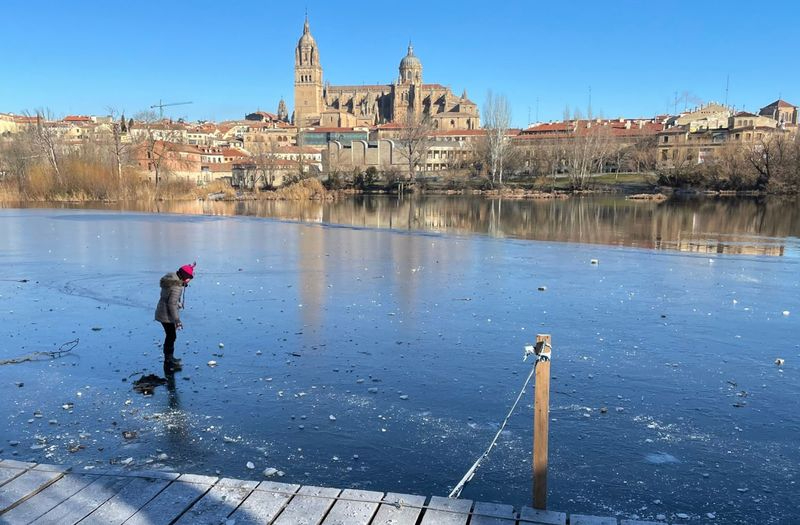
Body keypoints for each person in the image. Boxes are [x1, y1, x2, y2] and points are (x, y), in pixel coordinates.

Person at [155, 263, 195, 371]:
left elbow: (168, 298)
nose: (189, 281)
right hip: (166, 315)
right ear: (184, 276)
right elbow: (171, 304)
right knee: (171, 336)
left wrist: (177, 303)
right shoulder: (177, 287)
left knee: (170, 335)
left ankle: (169, 358)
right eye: (189, 278)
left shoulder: (170, 280)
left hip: (161, 310)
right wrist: (177, 320)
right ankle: (168, 361)